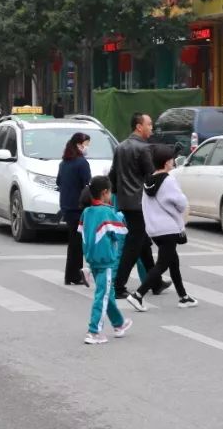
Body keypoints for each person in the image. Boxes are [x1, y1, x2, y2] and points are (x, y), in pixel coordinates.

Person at [126, 145, 198, 312]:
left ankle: (183, 296)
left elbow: (145, 205)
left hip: (155, 229)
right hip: (168, 228)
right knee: (163, 264)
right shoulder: (168, 180)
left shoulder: (148, 181)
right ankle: (138, 295)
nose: (173, 162)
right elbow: (181, 202)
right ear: (167, 163)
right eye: (172, 159)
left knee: (173, 261)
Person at [109, 112, 163, 299]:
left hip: (125, 201)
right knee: (134, 244)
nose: (151, 127)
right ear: (139, 127)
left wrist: (117, 195)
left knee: (142, 242)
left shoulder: (121, 147)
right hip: (140, 203)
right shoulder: (143, 148)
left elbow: (113, 174)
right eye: (149, 124)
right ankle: (118, 285)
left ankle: (154, 281)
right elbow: (151, 177)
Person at [80, 176, 132, 344]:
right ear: (104, 193)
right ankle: (93, 331)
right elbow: (122, 231)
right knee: (102, 295)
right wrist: (120, 217)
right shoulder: (107, 212)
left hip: (92, 259)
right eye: (109, 192)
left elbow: (82, 231)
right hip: (106, 261)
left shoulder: (86, 212)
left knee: (106, 294)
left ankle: (119, 323)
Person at [57, 132, 92, 286]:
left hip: (66, 206)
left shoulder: (64, 163)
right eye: (86, 144)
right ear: (79, 145)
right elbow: (88, 185)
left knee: (74, 242)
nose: (87, 147)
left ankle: (71, 275)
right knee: (77, 243)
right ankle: (74, 275)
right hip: (79, 208)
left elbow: (59, 182)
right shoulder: (82, 163)